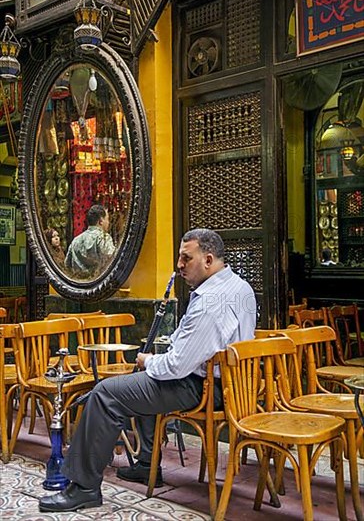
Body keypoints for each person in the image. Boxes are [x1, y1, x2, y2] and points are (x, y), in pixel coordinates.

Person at [39, 228, 257, 513]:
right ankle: (145, 463)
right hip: (234, 387)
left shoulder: (208, 301)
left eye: (185, 258)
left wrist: (148, 361)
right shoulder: (241, 288)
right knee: (140, 384)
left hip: (200, 388)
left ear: (208, 259)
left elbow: (177, 366)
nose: (179, 265)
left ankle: (83, 487)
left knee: (106, 393)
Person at [65, 204, 115, 278]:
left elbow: (67, 264)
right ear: (101, 221)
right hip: (99, 284)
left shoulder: (76, 240)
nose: (108, 222)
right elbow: (112, 261)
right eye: (107, 219)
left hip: (79, 285)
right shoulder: (104, 238)